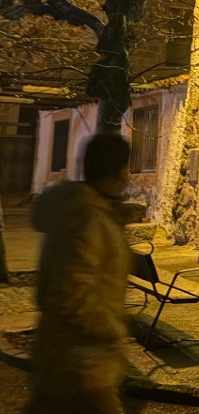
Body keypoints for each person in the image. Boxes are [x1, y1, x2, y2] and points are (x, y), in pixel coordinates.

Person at [25, 133, 132, 414]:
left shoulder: (80, 208)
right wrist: (112, 330)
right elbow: (74, 294)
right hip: (82, 363)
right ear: (119, 170)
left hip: (60, 354)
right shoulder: (88, 219)